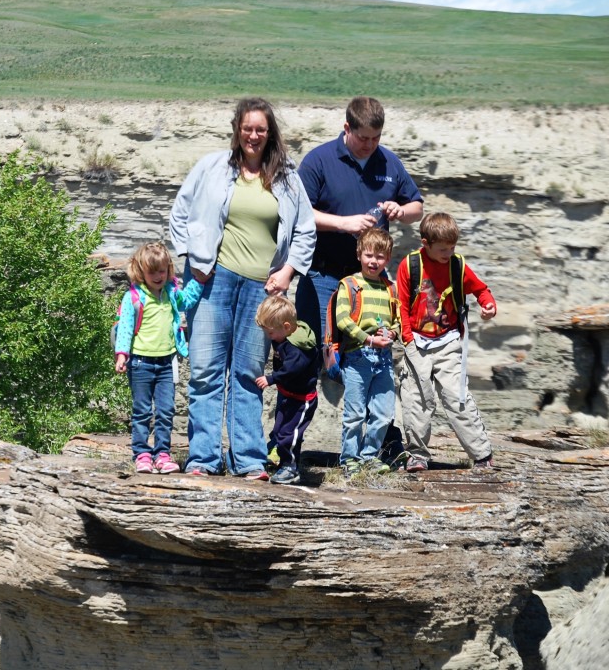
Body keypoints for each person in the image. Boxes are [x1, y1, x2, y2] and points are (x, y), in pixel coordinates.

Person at [169, 97, 316, 481]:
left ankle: (248, 460)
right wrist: (195, 260)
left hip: (262, 289)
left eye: (261, 130)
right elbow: (180, 213)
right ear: (237, 129)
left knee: (249, 372)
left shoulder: (286, 177)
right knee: (204, 370)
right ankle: (203, 456)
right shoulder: (212, 167)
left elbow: (305, 230)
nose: (253, 135)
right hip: (212, 281)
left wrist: (287, 272)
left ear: (270, 134)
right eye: (248, 128)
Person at [295, 95, 423, 345]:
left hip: (373, 279)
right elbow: (298, 214)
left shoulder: (390, 163)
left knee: (372, 349)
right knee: (324, 351)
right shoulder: (318, 160)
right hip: (323, 276)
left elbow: (417, 207)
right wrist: (343, 224)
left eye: (376, 138)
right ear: (347, 128)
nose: (370, 144)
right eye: (363, 138)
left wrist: (401, 211)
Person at [395, 212, 497, 472]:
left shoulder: (457, 265)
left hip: (449, 341)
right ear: (425, 242)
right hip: (416, 342)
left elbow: (480, 289)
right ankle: (417, 455)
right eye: (442, 249)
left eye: (452, 248)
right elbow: (402, 307)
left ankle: (482, 454)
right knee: (416, 399)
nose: (448, 253)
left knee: (456, 397)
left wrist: (488, 305)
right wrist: (407, 339)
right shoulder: (410, 266)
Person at [114, 242, 203, 474]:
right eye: (152, 271)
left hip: (166, 362)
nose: (157, 276)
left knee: (165, 411)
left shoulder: (171, 293)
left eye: (161, 271)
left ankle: (162, 454)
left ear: (168, 269)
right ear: (141, 271)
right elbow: (125, 327)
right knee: (142, 411)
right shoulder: (133, 297)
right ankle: (142, 454)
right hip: (141, 363)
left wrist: (200, 281)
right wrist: (122, 354)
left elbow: (187, 301)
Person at [333, 228, 400, 477]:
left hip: (383, 359)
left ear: (388, 259)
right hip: (358, 356)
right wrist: (369, 339)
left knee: (383, 413)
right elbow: (343, 320)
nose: (374, 261)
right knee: (355, 414)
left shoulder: (389, 289)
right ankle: (350, 459)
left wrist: (392, 333)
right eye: (369, 255)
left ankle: (369, 457)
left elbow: (398, 320)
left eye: (380, 257)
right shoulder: (350, 285)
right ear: (359, 254)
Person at [254, 296, 320, 485]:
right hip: (290, 396)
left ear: (286, 327)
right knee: (279, 430)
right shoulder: (285, 336)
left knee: (289, 434)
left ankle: (290, 468)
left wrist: (270, 379)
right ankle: (283, 461)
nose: (269, 337)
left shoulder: (297, 349)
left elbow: (291, 370)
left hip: (303, 400)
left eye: (271, 333)